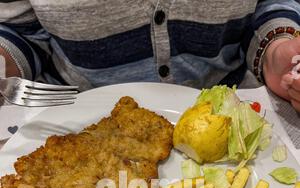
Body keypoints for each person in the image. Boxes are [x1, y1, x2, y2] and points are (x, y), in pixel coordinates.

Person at [1, 0, 300, 110]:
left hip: (229, 110)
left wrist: (276, 49)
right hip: (70, 118)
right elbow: (21, 30)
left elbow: (270, 4)